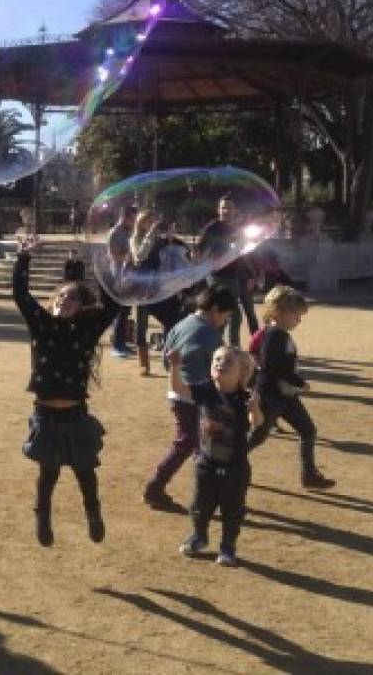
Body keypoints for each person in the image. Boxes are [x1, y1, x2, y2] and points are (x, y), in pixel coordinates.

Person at [13, 236, 119, 547]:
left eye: (71, 299)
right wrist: (23, 260)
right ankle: (43, 516)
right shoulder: (41, 325)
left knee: (86, 472)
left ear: (82, 306)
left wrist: (101, 266)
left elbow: (112, 306)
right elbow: (21, 296)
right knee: (48, 474)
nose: (63, 303)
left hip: (75, 413)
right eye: (60, 298)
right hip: (46, 413)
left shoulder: (87, 330)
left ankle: (93, 512)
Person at [142, 285, 237, 509]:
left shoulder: (181, 324)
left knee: (200, 444)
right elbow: (221, 367)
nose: (225, 320)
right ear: (215, 309)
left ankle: (209, 490)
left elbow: (167, 360)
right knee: (190, 442)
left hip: (177, 392)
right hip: (195, 396)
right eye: (226, 315)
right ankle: (154, 488)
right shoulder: (209, 333)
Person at [173, 346, 262, 566]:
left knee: (232, 511)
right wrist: (175, 367)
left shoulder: (244, 398)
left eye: (228, 361)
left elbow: (256, 424)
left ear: (241, 372)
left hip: (236, 468)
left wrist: (255, 407)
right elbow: (179, 389)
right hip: (206, 463)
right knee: (199, 505)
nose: (220, 363)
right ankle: (199, 536)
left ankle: (228, 546)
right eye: (217, 359)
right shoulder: (206, 390)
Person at [247, 286, 335, 489]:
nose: (299, 321)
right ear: (279, 312)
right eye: (296, 315)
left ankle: (309, 474)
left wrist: (295, 384)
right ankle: (228, 464)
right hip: (272, 395)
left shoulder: (278, 334)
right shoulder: (275, 335)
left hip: (285, 395)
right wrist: (300, 382)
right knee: (257, 436)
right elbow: (273, 368)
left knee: (307, 430)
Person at [132, 219, 190, 377]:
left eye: (169, 227)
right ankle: (143, 364)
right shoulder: (144, 241)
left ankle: (168, 360)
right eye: (161, 228)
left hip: (166, 290)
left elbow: (186, 266)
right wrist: (152, 237)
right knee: (141, 326)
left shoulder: (179, 244)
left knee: (170, 324)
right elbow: (139, 257)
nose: (165, 231)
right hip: (145, 289)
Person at [199, 195, 245, 347]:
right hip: (217, 275)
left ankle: (220, 346)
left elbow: (243, 252)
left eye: (229, 207)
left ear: (235, 210)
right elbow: (199, 250)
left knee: (227, 313)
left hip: (233, 275)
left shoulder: (238, 228)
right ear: (218, 210)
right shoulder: (212, 228)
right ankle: (230, 347)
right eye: (223, 207)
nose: (226, 210)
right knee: (230, 313)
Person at [106, 206, 137, 358]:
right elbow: (113, 256)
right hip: (118, 276)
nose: (134, 222)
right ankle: (117, 345)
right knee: (120, 311)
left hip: (127, 276)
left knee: (125, 312)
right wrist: (131, 254)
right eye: (132, 219)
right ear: (124, 217)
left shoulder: (126, 233)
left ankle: (121, 343)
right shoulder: (115, 233)